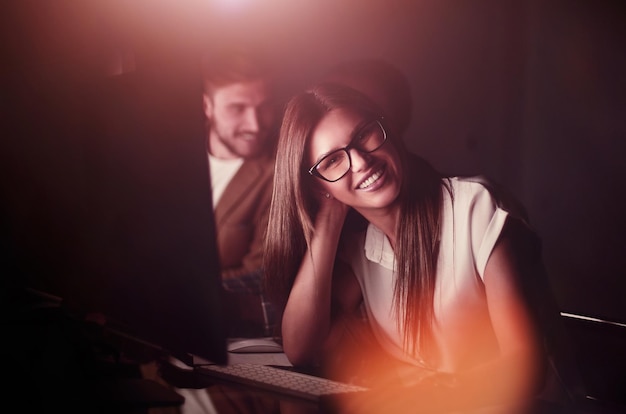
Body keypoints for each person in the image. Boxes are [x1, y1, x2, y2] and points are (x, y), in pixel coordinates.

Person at [263, 82, 554, 413]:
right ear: (317, 186)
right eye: (332, 161)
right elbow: (300, 348)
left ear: (385, 127)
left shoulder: (475, 206)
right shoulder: (360, 247)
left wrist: (426, 393)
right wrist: (329, 218)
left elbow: (527, 368)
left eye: (363, 136)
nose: (359, 161)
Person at [202, 45, 282, 337]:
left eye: (265, 107)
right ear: (206, 106)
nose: (256, 124)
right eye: (237, 108)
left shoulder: (278, 174)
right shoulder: (169, 155)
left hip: (218, 333)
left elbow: (261, 276)